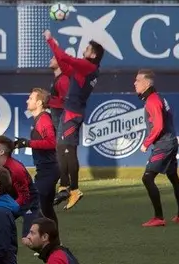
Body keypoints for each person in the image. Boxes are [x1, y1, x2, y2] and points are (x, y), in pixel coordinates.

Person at [44, 30, 104, 210]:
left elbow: (66, 58)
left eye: (87, 48)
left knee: (67, 149)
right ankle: (65, 186)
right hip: (71, 112)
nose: (84, 50)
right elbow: (64, 62)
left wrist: (50, 41)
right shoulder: (86, 70)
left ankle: (73, 188)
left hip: (72, 113)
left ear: (93, 54)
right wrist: (55, 49)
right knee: (63, 148)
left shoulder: (89, 67)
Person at [134, 69, 179, 227]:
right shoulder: (158, 98)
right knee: (173, 177)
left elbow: (158, 126)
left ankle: (158, 218)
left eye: (138, 80)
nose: (134, 83)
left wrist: (146, 143)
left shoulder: (152, 100)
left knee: (147, 178)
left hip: (164, 144)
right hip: (170, 141)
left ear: (147, 83)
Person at [15, 88, 59, 225]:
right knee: (46, 209)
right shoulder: (40, 119)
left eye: (31, 98)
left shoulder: (43, 120)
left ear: (39, 102)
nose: (27, 100)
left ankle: (39, 238)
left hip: (49, 169)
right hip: (47, 169)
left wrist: (28, 143)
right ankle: (55, 242)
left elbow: (52, 143)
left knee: (37, 204)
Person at [0, 135, 40, 244]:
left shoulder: (16, 170)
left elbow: (25, 196)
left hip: (28, 202)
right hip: (11, 197)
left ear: (1, 152)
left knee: (29, 240)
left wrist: (7, 207)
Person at [48, 56, 69, 129]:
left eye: (54, 59)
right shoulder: (57, 78)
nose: (50, 60)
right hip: (57, 115)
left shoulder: (63, 80)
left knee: (61, 139)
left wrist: (47, 99)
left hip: (60, 115)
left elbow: (67, 101)